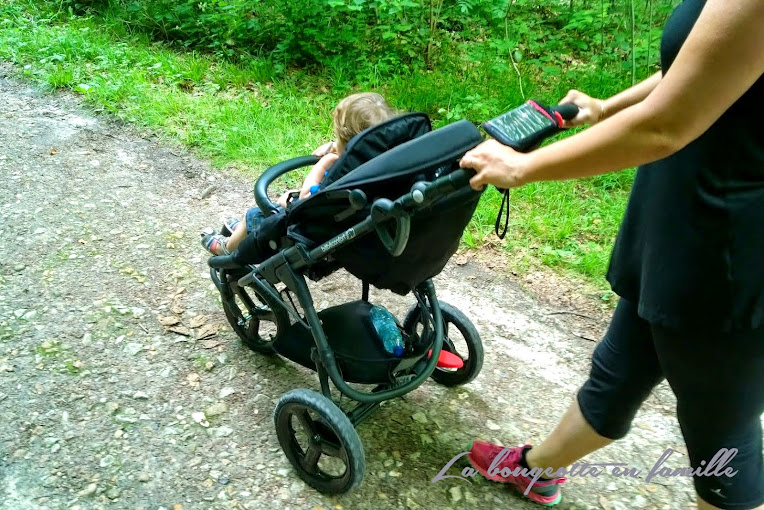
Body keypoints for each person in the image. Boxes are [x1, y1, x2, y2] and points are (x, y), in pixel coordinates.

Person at [459, 0, 763, 508]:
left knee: (726, 457)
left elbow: (664, 125)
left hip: (727, 253)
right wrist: (609, 105)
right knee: (620, 371)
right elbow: (697, 66)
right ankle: (537, 471)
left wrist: (522, 167)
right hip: (682, 223)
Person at [201, 92, 397, 255]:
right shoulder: (383, 164)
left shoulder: (339, 169)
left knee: (255, 215)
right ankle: (240, 233)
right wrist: (336, 147)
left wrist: (323, 164)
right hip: (356, 220)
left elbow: (306, 198)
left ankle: (227, 247)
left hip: (315, 228)